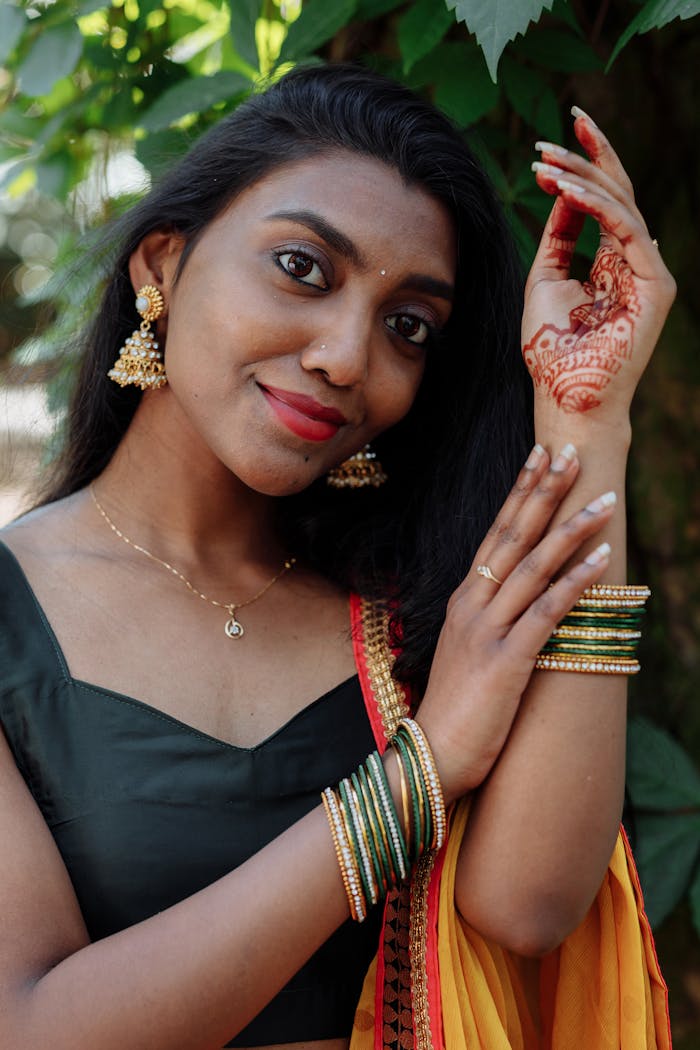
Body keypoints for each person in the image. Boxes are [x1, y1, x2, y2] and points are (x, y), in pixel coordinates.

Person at [0, 64, 676, 1050]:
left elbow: (527, 910)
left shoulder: (413, 616)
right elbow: (35, 1028)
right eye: (302, 270)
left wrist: (586, 423)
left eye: (409, 327)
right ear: (161, 266)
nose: (347, 357)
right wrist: (422, 772)